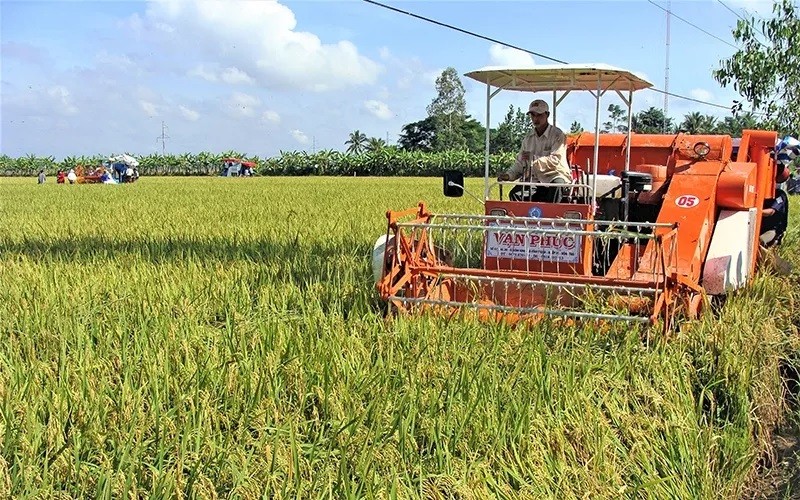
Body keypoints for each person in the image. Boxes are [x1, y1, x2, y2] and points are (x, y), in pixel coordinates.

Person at [497, 99, 572, 203]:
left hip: (554, 175)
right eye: (533, 115)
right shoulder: (528, 139)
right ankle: (521, 219)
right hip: (534, 180)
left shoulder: (557, 135)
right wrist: (509, 175)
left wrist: (533, 163)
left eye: (539, 115)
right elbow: (520, 163)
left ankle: (552, 217)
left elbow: (555, 159)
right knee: (515, 194)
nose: (535, 118)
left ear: (547, 115)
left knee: (557, 185)